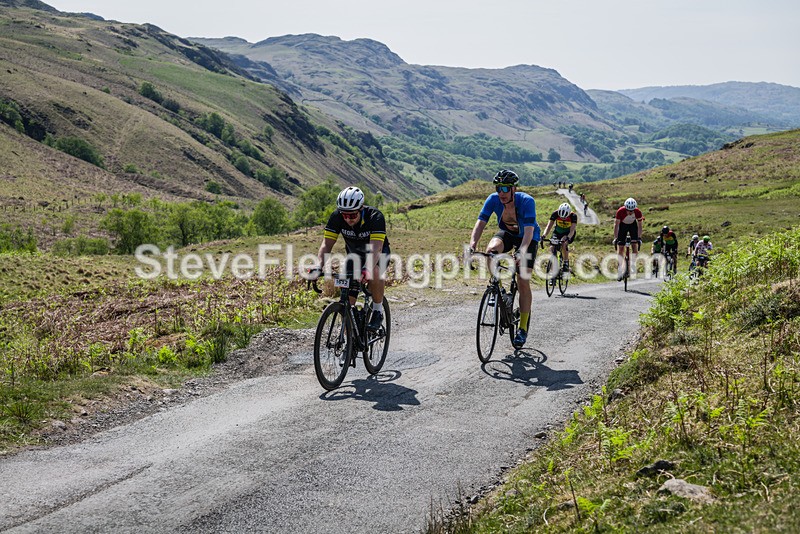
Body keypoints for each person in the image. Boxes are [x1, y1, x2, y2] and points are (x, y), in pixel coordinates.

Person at [469, 170, 540, 349]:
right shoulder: (493, 199)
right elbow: (480, 223)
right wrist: (472, 245)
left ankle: (522, 328)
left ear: (514, 189)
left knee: (523, 281)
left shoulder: (526, 201)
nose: (501, 192)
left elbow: (529, 232)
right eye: (499, 188)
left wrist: (521, 252)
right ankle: (497, 287)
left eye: (505, 188)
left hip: (528, 238)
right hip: (508, 234)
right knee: (491, 251)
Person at [312, 186, 389, 331]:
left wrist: (367, 270)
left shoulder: (375, 217)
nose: (348, 219)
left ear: (361, 209)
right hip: (354, 257)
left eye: (352, 215)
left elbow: (376, 248)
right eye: (344, 215)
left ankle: (378, 311)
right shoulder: (336, 217)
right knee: (347, 305)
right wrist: (318, 266)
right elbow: (326, 245)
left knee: (375, 271)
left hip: (378, 254)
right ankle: (350, 345)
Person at [540, 202, 577, 274]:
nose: (563, 219)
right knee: (552, 247)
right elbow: (549, 226)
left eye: (565, 218)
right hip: (557, 232)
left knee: (563, 242)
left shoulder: (573, 216)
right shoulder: (555, 214)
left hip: (568, 233)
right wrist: (544, 235)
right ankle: (553, 268)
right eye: (561, 218)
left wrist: (568, 238)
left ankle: (565, 263)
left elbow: (572, 230)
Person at [613, 197, 644, 280]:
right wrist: (616, 238)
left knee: (634, 245)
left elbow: (640, 226)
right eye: (629, 210)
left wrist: (639, 238)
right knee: (621, 248)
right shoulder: (620, 211)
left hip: (632, 226)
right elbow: (616, 226)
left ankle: (632, 265)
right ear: (625, 208)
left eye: (632, 211)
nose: (630, 212)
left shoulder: (638, 212)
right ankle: (620, 268)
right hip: (622, 226)